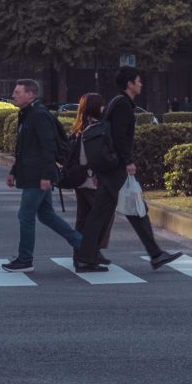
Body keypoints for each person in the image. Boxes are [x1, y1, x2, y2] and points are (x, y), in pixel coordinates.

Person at [96, 70, 182, 269]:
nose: (141, 84)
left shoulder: (119, 103)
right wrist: (128, 161)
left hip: (113, 165)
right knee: (105, 212)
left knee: (133, 209)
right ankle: (86, 251)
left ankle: (155, 253)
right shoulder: (122, 105)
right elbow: (119, 136)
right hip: (116, 167)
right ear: (129, 84)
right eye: (138, 81)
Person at [4, 79, 87, 271]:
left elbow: (47, 147)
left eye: (18, 92)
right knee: (46, 215)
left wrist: (46, 175)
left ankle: (25, 260)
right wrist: (14, 171)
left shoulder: (38, 116)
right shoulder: (27, 114)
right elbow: (25, 149)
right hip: (34, 173)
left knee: (25, 216)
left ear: (30, 94)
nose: (14, 95)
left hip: (38, 175)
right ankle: (84, 245)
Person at [67, 93, 123, 271]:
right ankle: (90, 255)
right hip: (93, 180)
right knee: (102, 218)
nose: (104, 108)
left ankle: (80, 254)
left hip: (80, 179)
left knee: (83, 219)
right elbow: (97, 157)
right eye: (101, 105)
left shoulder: (79, 127)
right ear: (95, 108)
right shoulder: (96, 128)